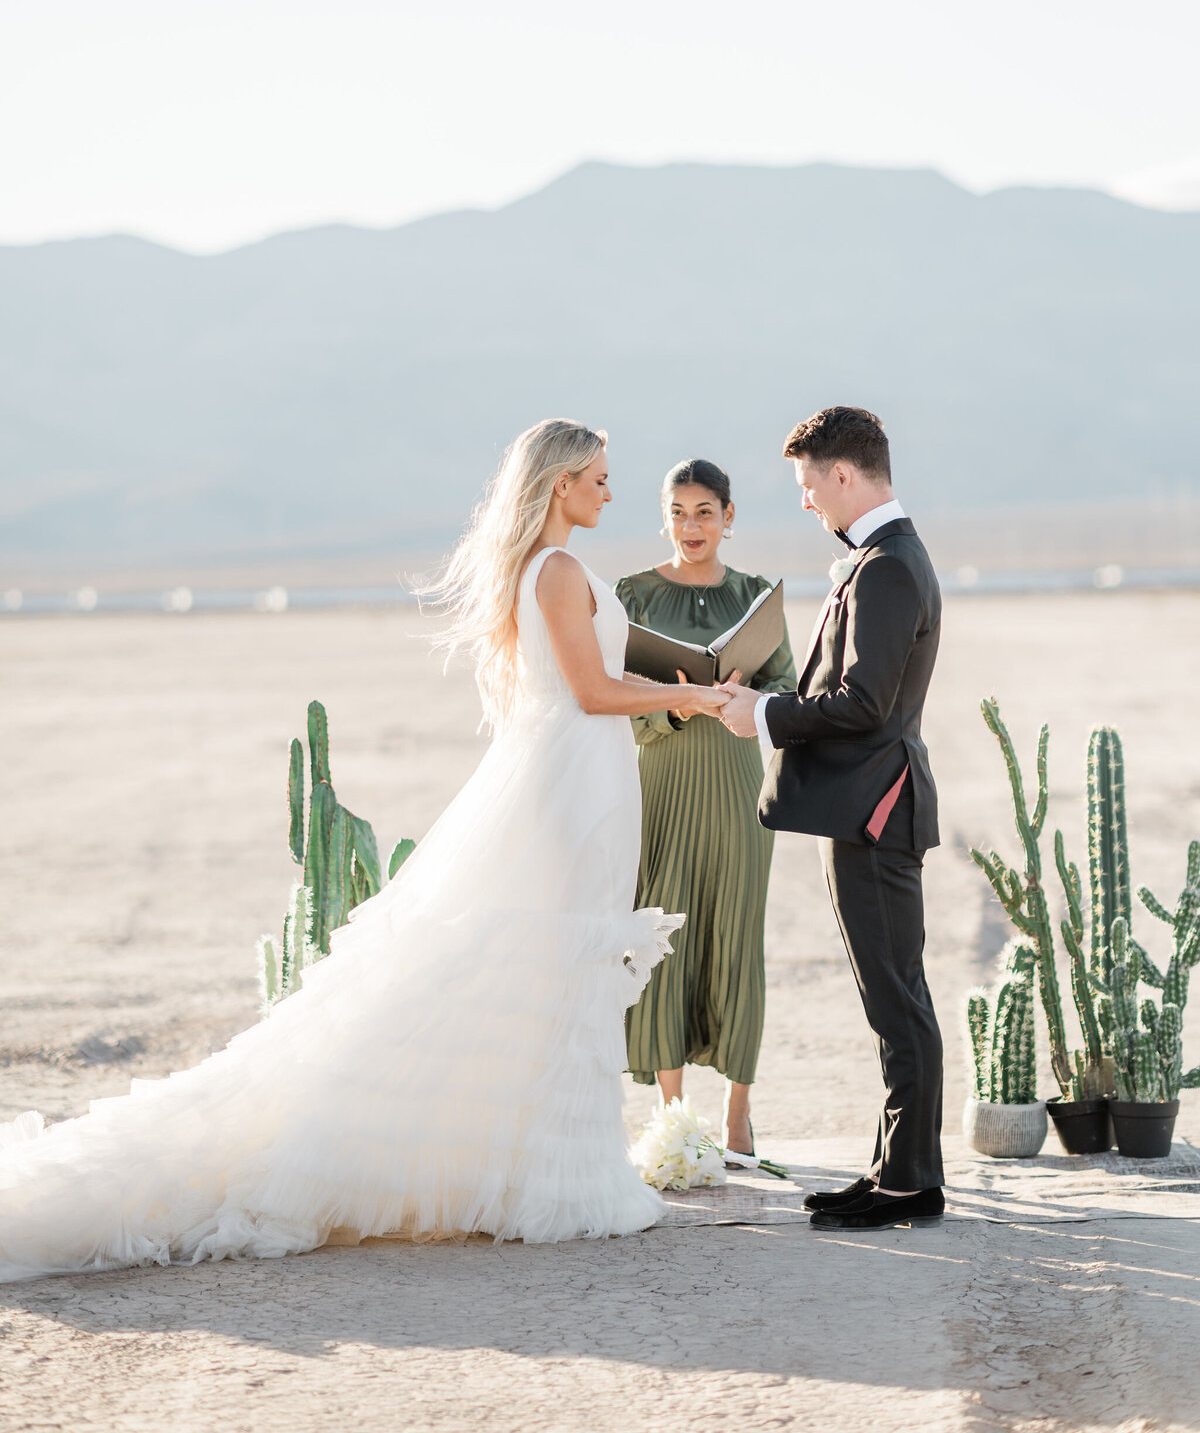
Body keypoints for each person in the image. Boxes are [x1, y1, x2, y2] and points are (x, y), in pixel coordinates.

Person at [0, 419, 732, 1281]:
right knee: (555, 964)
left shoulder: (546, 568)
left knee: (551, 967)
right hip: (572, 784)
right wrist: (692, 699)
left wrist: (681, 698)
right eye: (600, 478)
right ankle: (563, 1187)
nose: (611, 492)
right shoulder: (561, 569)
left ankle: (553, 1175)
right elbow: (588, 690)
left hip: (579, 776)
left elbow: (595, 688)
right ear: (560, 485)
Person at [718, 407, 945, 1230]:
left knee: (897, 1003)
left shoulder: (886, 567)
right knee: (891, 999)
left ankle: (910, 1184)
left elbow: (862, 703)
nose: (808, 502)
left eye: (810, 484)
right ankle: (897, 1170)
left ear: (843, 474)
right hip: (864, 810)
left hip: (876, 813)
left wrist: (766, 716)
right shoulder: (882, 558)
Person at [615, 459, 796, 1159]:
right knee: (664, 937)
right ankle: (674, 1116)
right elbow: (613, 691)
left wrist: (748, 689)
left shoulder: (755, 595)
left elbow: (788, 682)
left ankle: (739, 1113)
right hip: (661, 781)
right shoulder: (632, 593)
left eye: (705, 512)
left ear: (728, 516)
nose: (692, 526)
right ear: (664, 515)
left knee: (736, 937)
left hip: (736, 784)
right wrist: (675, 702)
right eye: (679, 511)